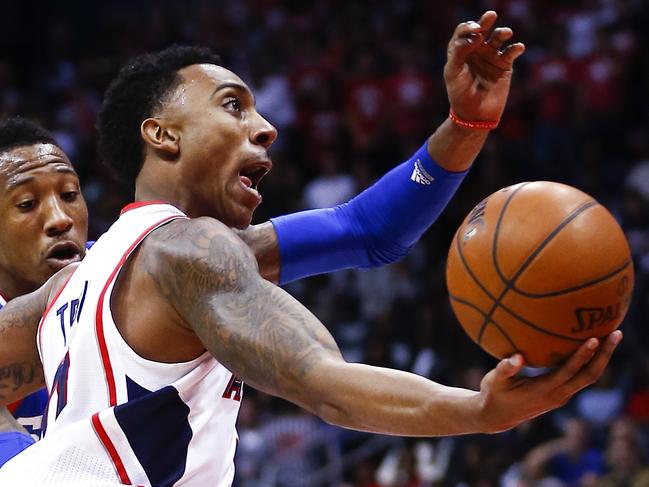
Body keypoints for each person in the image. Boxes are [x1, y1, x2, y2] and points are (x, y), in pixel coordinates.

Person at [0, 11, 621, 486]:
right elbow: (323, 383)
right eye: (233, 105)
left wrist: (466, 126)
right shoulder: (191, 252)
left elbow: (366, 231)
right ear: (162, 135)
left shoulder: (75, 289)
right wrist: (479, 409)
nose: (266, 126)